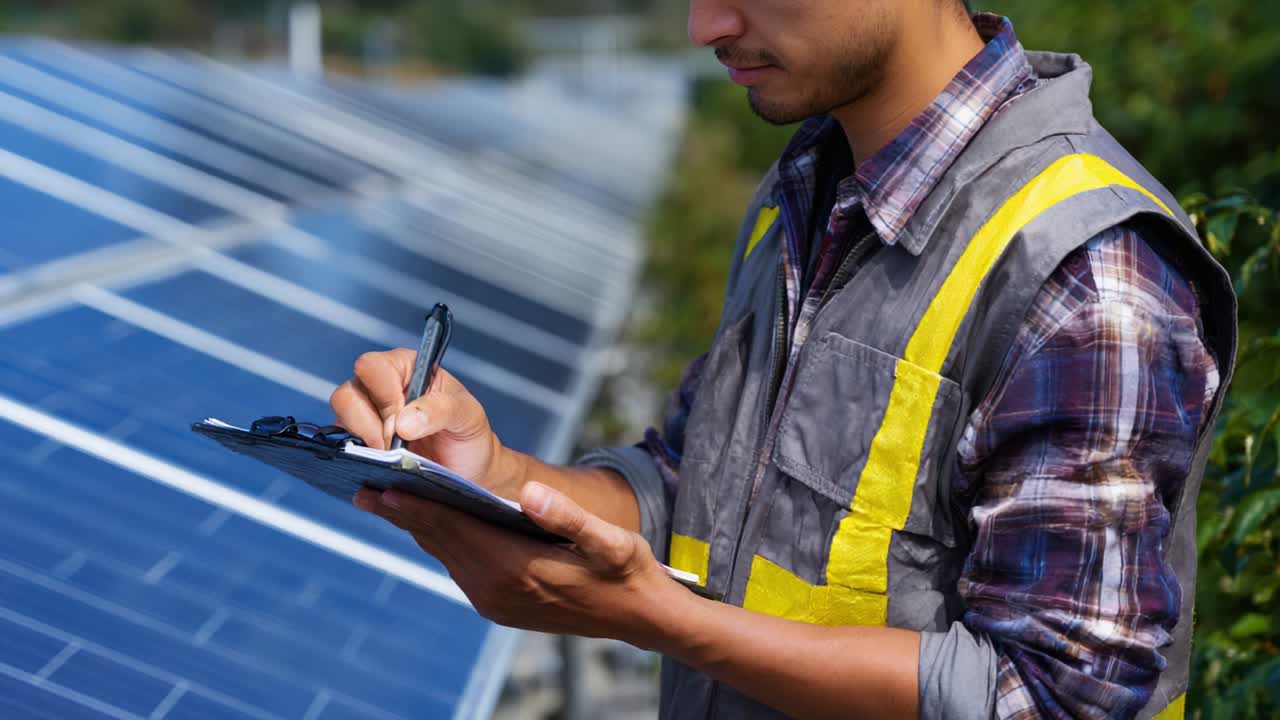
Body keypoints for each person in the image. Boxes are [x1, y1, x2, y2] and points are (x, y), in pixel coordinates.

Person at [330, 2, 1237, 718]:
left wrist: (668, 625)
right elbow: (691, 493)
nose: (705, 25)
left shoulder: (1085, 272)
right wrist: (498, 479)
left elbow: (1050, 699)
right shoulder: (804, 189)